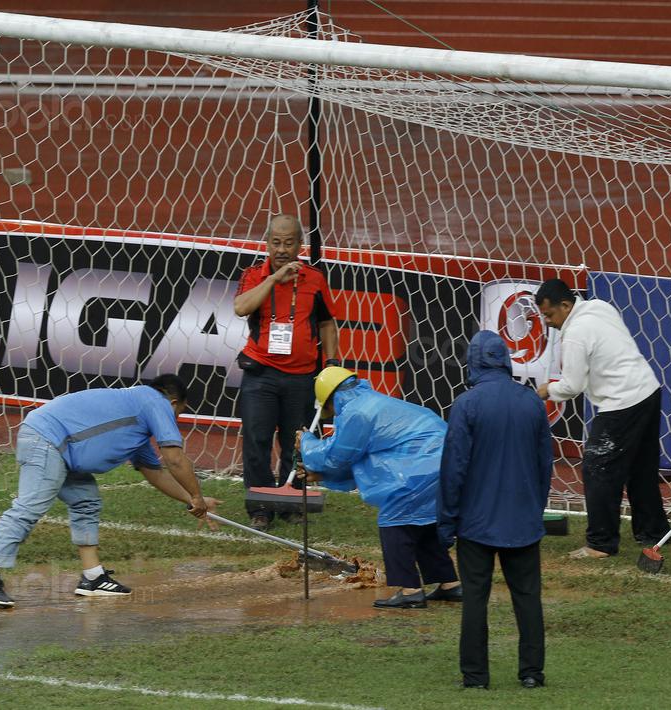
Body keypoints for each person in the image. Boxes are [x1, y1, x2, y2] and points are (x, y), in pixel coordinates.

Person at [0, 374, 221, 608]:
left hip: (60, 447)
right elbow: (174, 459)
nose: (175, 420)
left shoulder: (138, 422)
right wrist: (196, 496)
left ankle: (93, 577)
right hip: (48, 440)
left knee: (86, 501)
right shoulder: (155, 402)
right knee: (30, 507)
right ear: (173, 402)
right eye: (179, 412)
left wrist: (193, 499)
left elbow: (155, 473)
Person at [438, 331, 554, 690]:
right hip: (522, 520)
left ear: (473, 361)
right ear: (505, 360)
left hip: (476, 522)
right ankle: (532, 672)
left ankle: (475, 676)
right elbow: (544, 465)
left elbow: (453, 468)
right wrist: (534, 508)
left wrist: (446, 522)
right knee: (528, 597)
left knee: (475, 598)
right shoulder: (532, 403)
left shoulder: (466, 404)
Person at [298, 366, 461, 609]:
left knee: (394, 522)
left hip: (422, 466)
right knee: (421, 523)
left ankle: (410, 591)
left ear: (331, 399)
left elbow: (337, 456)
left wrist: (307, 444)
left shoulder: (356, 412)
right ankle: (450, 584)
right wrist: (320, 475)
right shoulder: (372, 403)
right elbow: (366, 461)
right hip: (442, 462)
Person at [533, 279, 669, 558]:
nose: (547, 322)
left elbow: (572, 386)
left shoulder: (575, 333)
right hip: (648, 390)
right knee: (641, 468)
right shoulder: (600, 307)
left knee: (598, 468)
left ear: (565, 305)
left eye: (549, 315)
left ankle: (600, 543)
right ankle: (653, 531)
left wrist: (546, 390)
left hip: (622, 401)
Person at [233, 214, 339, 530]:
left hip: (303, 376)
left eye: (288, 242)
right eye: (276, 242)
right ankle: (260, 507)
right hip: (261, 374)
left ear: (300, 245)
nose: (281, 249)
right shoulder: (254, 275)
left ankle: (292, 503)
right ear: (267, 243)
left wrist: (331, 364)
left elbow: (326, 323)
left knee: (300, 444)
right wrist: (273, 280)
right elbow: (240, 308)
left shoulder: (314, 278)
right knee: (257, 441)